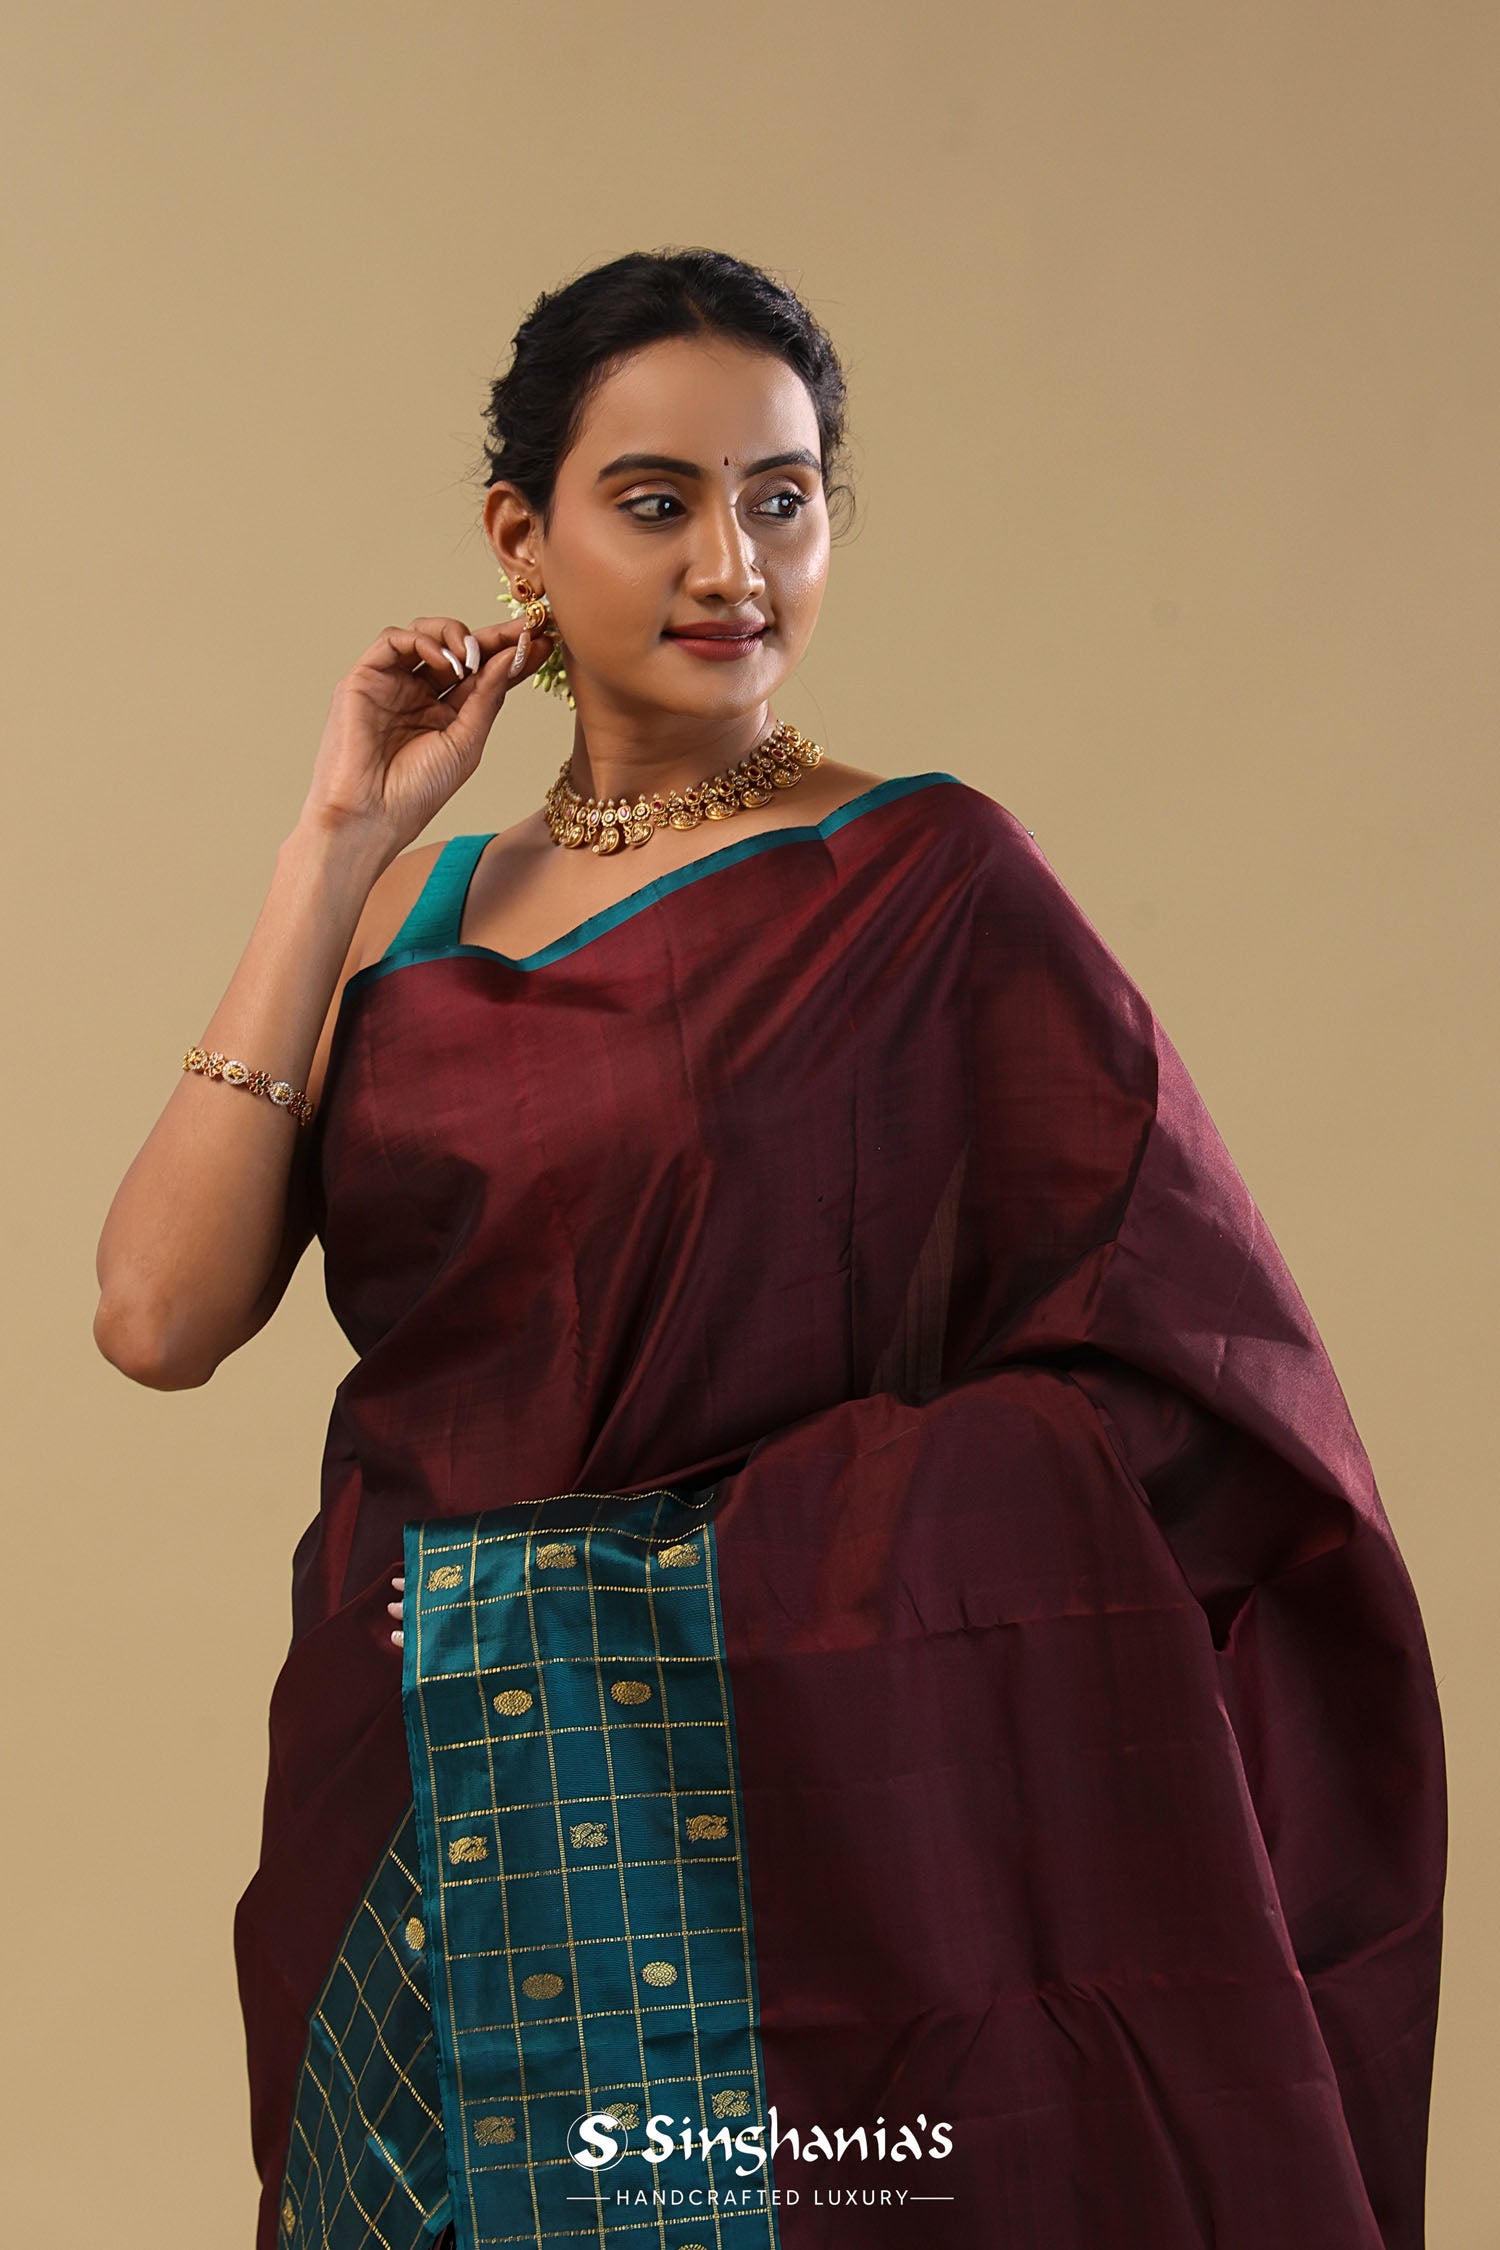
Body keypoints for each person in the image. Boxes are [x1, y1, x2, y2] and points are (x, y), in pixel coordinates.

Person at [94, 248, 1446, 2250]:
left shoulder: (926, 880)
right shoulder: (407, 907)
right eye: (658, 502)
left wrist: (659, 1584)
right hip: (401, 1768)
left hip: (742, 1793)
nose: (733, 563)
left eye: (783, 499)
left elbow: (1180, 1383)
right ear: (521, 541)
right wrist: (335, 842)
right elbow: (157, 1311)